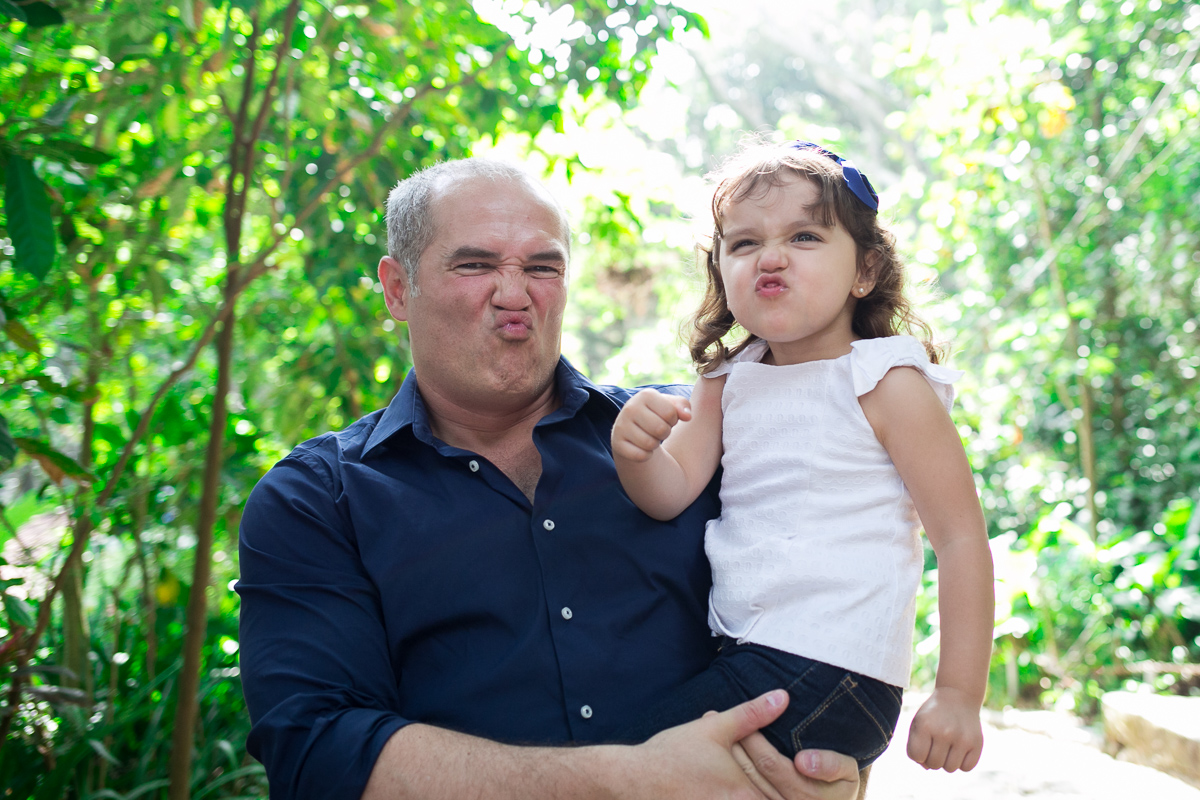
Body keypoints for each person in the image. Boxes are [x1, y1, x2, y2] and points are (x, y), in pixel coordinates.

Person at [237, 156, 865, 800]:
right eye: (475, 265)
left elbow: (842, 591)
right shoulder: (318, 499)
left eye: (542, 267)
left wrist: (831, 770)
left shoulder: (699, 435)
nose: (515, 295)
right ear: (398, 289)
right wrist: (625, 781)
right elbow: (315, 750)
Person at [611, 137, 995, 774]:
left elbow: (959, 540)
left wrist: (958, 693)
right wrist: (636, 452)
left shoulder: (885, 382)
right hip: (744, 654)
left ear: (865, 272)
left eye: (805, 238)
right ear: (721, 270)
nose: (772, 257)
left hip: (834, 666)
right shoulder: (726, 381)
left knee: (622, 767)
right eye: (744, 242)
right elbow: (669, 490)